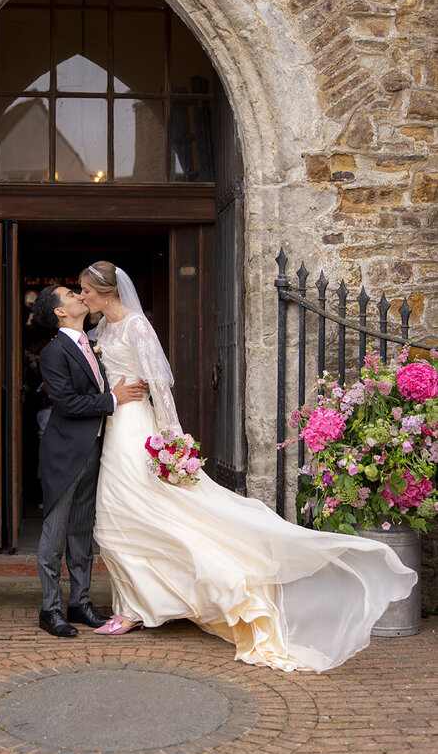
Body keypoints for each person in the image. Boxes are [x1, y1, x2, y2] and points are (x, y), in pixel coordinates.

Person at [79, 261, 417, 672]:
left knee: (147, 509)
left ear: (107, 292)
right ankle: (132, 603)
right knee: (117, 516)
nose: (83, 298)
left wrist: (173, 442)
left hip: (139, 430)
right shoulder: (103, 330)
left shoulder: (135, 326)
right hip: (115, 427)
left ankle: (173, 598)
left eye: (87, 291)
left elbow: (161, 386)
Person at [32, 284, 148, 638]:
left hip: (94, 449)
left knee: (82, 533)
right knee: (54, 535)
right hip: (64, 454)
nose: (81, 297)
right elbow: (66, 403)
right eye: (71, 295)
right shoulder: (53, 353)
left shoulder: (91, 345)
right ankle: (50, 609)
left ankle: (79, 602)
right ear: (59, 312)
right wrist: (112, 399)